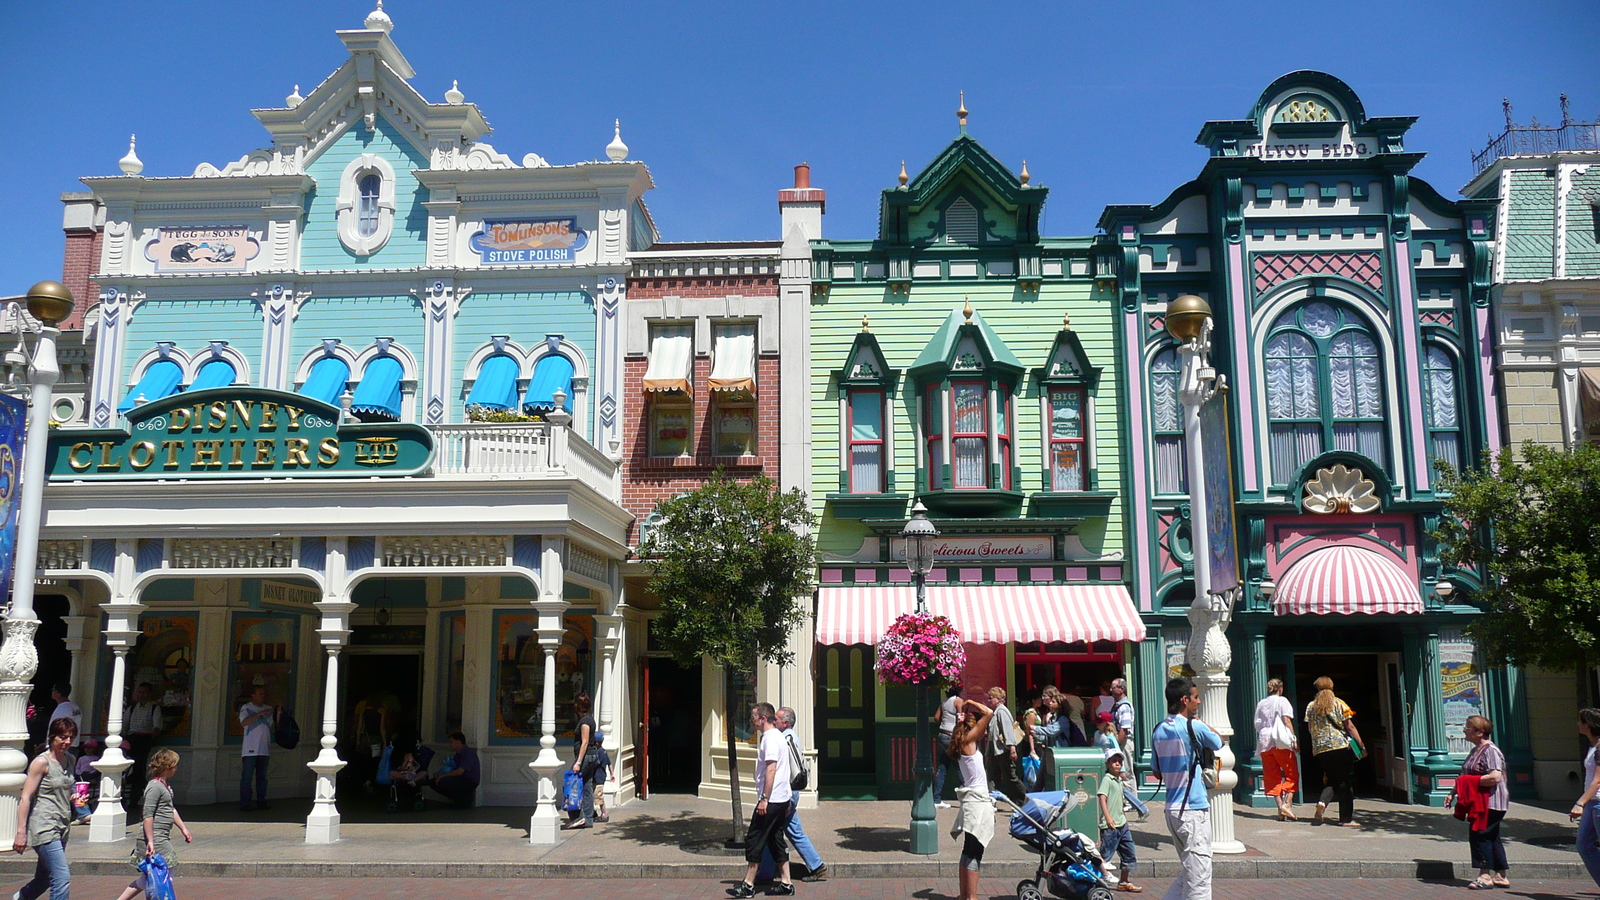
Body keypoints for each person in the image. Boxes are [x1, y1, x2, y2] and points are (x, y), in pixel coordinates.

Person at [1152, 676, 1222, 900]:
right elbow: (1218, 742)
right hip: (1192, 810)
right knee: (1200, 878)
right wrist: (1203, 724)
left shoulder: (1158, 730)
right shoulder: (1194, 726)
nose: (1199, 702)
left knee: (1190, 871)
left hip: (1172, 809)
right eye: (1196, 697)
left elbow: (1156, 772)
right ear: (1184, 700)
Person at [726, 702, 793, 898]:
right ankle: (786, 883)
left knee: (755, 838)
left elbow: (771, 769)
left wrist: (764, 798)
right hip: (780, 799)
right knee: (775, 839)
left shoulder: (770, 739)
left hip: (771, 801)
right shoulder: (778, 737)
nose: (751, 721)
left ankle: (748, 885)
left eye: (753, 717)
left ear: (763, 719)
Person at [756, 708, 828, 883]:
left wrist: (784, 798)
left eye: (777, 720)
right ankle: (816, 866)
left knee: (770, 831)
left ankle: (765, 874)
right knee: (788, 831)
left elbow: (784, 770)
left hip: (785, 794)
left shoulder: (785, 739)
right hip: (788, 793)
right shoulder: (789, 737)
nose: (774, 722)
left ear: (785, 723)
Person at [114, 748, 193, 900]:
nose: (176, 769)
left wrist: (183, 828)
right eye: (174, 766)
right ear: (167, 767)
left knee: (151, 877)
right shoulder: (154, 787)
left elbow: (170, 809)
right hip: (155, 838)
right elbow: (148, 815)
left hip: (161, 836)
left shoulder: (164, 786)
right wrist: (150, 840)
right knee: (164, 872)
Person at [12, 716, 77, 900]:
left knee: (44, 879)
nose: (67, 742)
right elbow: (26, 797)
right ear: (52, 737)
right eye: (62, 737)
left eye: (70, 737)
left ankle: (20, 898)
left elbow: (66, 787)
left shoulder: (70, 760)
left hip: (63, 824)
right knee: (61, 876)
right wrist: (21, 832)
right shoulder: (41, 762)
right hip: (44, 824)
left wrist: (75, 796)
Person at [1448, 715, 1509, 890]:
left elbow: (1495, 777)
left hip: (1490, 802)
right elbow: (1464, 775)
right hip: (1479, 802)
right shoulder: (1476, 750)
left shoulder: (1491, 751)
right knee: (1491, 836)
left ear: (1480, 732)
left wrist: (1470, 782)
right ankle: (1500, 875)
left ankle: (1484, 875)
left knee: (1480, 835)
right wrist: (1453, 793)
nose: (1464, 731)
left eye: (1468, 728)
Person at [949, 698, 995, 900]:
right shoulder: (969, 741)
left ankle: (964, 894)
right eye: (981, 729)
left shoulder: (963, 742)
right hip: (977, 802)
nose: (984, 731)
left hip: (973, 801)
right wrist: (972, 702)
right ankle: (972, 897)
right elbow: (989, 713)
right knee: (976, 851)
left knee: (968, 850)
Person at [1304, 676, 1363, 827]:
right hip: (1339, 746)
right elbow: (1349, 726)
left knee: (1331, 778)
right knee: (1344, 782)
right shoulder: (1339, 703)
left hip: (1320, 749)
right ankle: (1346, 819)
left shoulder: (1311, 706)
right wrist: (1360, 745)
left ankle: (1322, 803)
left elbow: (1310, 729)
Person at [1097, 747, 1143, 894]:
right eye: (1114, 761)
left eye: (1119, 761)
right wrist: (1108, 817)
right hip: (1111, 826)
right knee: (1105, 856)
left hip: (1122, 824)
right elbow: (1102, 799)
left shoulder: (1119, 781)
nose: (1117, 764)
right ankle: (1095, 880)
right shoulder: (1107, 780)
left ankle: (1124, 881)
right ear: (1107, 764)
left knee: (1129, 853)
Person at [1253, 678, 1298, 822]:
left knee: (1272, 775)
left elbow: (1257, 724)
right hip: (1280, 741)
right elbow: (1286, 720)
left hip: (1264, 742)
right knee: (1292, 773)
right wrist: (1294, 738)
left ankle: (1280, 809)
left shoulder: (1261, 703)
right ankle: (1287, 804)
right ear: (1281, 689)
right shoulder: (1282, 701)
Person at [1570, 708, 1600, 889]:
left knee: (1585, 846)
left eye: (1580, 721)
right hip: (1592, 804)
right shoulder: (1594, 747)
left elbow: (1597, 781)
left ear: (1587, 726)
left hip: (1597, 803)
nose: (1577, 724)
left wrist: (1580, 803)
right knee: (1583, 846)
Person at [238, 685, 278, 811]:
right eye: (260, 693)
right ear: (253, 695)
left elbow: (273, 725)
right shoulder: (247, 708)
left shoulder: (269, 709)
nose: (262, 696)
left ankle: (261, 801)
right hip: (250, 749)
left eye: (263, 693)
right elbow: (244, 722)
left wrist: (279, 711)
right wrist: (260, 714)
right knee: (247, 777)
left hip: (264, 748)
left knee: (262, 777)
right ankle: (246, 803)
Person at [563, 693, 600, 830]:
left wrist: (578, 762)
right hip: (592, 756)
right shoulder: (590, 719)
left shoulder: (585, 722)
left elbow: (584, 742)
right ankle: (588, 818)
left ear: (578, 706)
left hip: (586, 757)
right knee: (587, 786)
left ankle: (578, 816)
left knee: (572, 783)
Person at [125, 682, 163, 812]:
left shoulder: (154, 708)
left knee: (139, 768)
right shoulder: (132, 707)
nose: (142, 695)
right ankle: (139, 793)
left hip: (144, 740)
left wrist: (151, 738)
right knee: (133, 768)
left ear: (149, 694)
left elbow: (157, 726)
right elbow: (125, 723)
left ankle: (135, 797)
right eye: (140, 692)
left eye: (144, 692)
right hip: (132, 739)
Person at [984, 687, 1026, 806]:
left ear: (998, 699)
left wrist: (1012, 749)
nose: (988, 700)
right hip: (995, 751)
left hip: (1003, 751)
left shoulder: (1001, 711)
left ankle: (1025, 799)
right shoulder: (996, 711)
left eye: (991, 698)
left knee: (1010, 777)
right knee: (991, 776)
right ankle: (991, 800)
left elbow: (1008, 730)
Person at [932, 683, 964, 809]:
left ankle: (936, 799)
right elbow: (960, 719)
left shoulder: (944, 702)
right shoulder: (958, 701)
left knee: (942, 767)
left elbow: (936, 718)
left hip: (942, 734)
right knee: (960, 766)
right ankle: (968, 796)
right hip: (952, 735)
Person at [429, 732, 480, 808]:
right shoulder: (458, 755)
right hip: (461, 779)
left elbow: (459, 771)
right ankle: (457, 798)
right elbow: (453, 768)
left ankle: (463, 798)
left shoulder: (469, 753)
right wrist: (439, 773)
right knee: (433, 782)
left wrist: (442, 776)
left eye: (451, 742)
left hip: (469, 781)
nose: (450, 744)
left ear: (458, 742)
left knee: (443, 781)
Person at [48, 684, 80, 749]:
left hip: (61, 746)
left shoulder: (62, 708)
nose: (52, 692)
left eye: (53, 690)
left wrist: (50, 743)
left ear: (58, 693)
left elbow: (57, 727)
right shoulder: (76, 707)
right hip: (73, 744)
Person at [1017, 708, 1042, 792]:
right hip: (1033, 745)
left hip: (1038, 743)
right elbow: (1030, 732)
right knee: (1031, 768)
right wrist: (1032, 749)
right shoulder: (1030, 713)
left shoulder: (1036, 712)